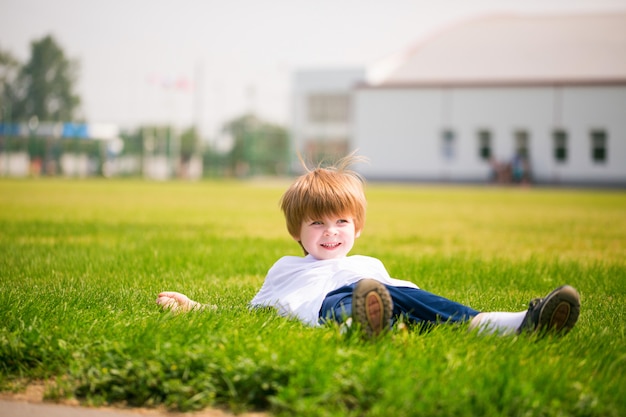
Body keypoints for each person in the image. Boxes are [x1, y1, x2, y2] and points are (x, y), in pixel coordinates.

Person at [157, 154, 580, 338]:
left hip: (387, 296)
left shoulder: (367, 261)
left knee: (419, 302)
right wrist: (195, 307)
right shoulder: (287, 268)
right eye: (317, 224)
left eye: (341, 222)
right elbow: (253, 313)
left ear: (357, 228)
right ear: (296, 232)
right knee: (353, 300)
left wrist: (392, 296)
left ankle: (519, 323)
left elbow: (406, 293)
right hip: (332, 305)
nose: (331, 232)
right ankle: (366, 321)